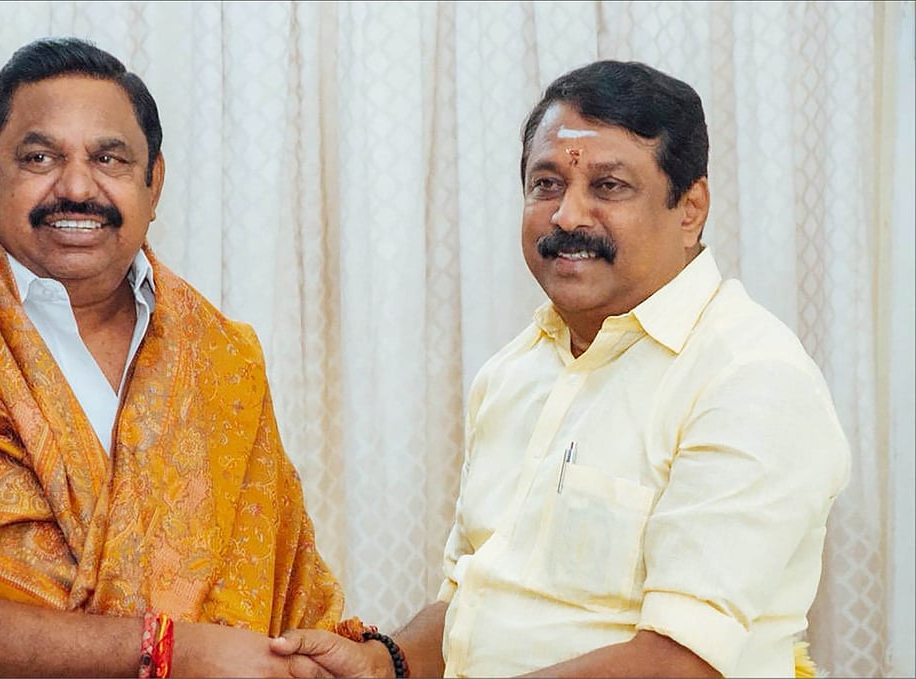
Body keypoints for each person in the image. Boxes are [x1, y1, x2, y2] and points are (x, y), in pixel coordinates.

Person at [271, 60, 851, 678]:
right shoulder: (513, 374)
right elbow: (478, 603)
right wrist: (383, 663)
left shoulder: (749, 378)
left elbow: (681, 663)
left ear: (690, 208)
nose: (568, 216)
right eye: (546, 184)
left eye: (609, 186)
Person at [0, 37, 343, 678]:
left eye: (109, 158)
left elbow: (288, 587)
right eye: (40, 158)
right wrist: (169, 652)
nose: (77, 187)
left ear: (154, 183)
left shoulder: (225, 360)